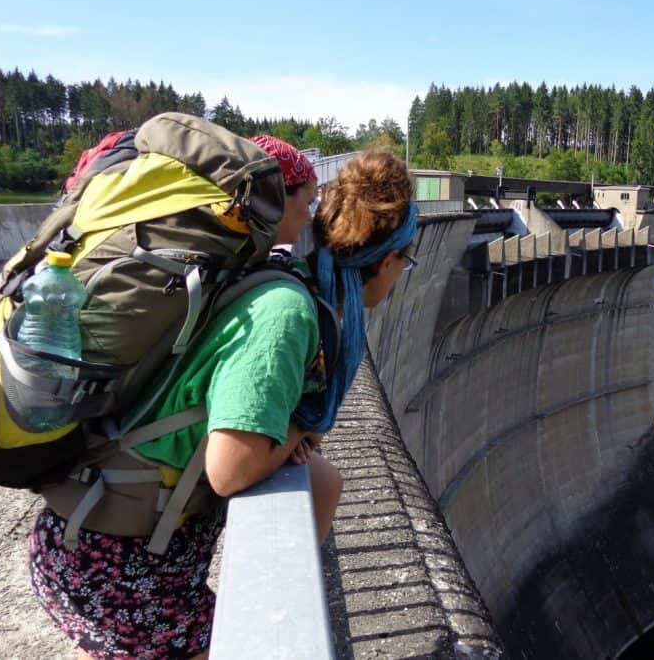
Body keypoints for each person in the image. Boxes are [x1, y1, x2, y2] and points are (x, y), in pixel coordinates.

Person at [28, 143, 418, 660]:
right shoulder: (287, 313)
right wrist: (296, 431)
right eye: (406, 262)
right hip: (117, 566)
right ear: (389, 259)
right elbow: (232, 469)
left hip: (101, 544)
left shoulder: (292, 287)